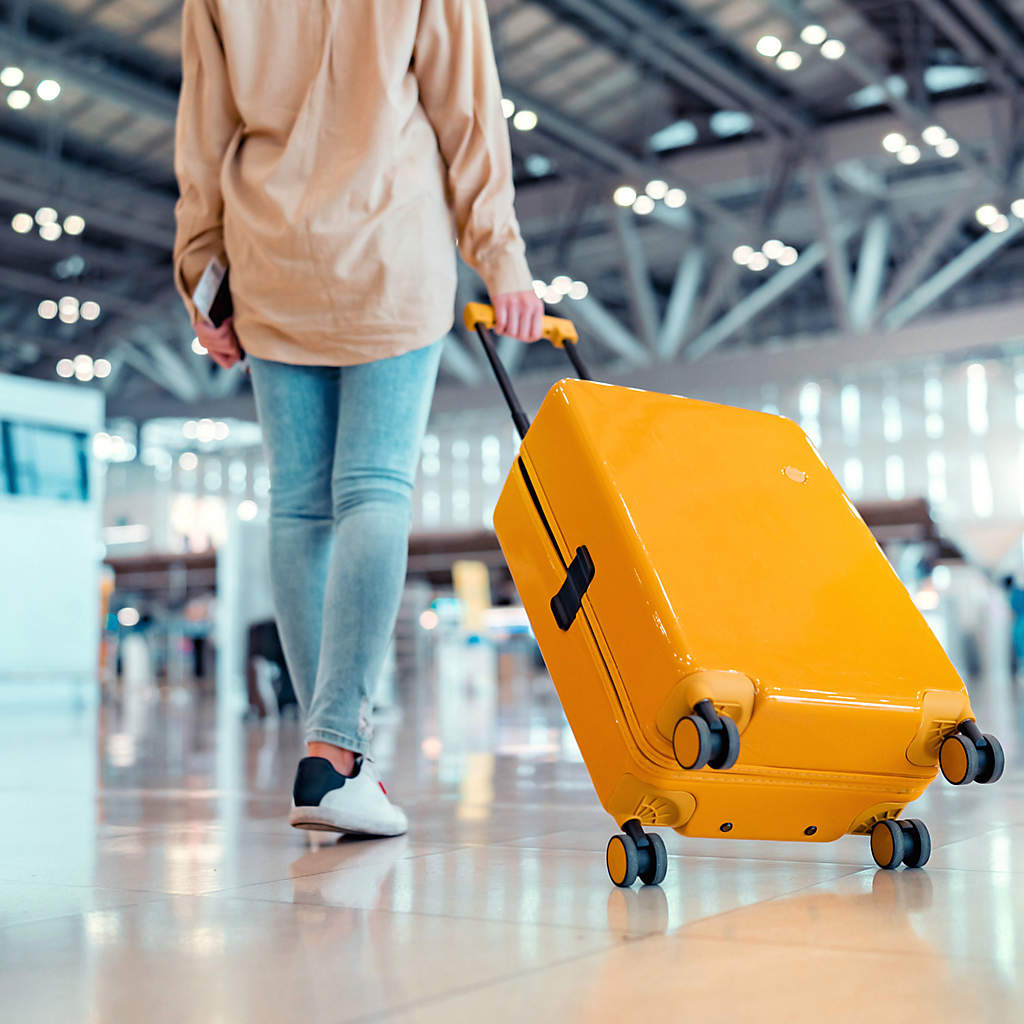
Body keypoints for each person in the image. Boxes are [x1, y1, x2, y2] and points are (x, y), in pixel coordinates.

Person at [173, 0, 542, 838]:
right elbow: (468, 109)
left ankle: (327, 761)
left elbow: (200, 129)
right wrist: (502, 257)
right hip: (389, 247)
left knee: (300, 504)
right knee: (373, 487)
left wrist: (200, 269)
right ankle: (336, 754)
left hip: (272, 257)